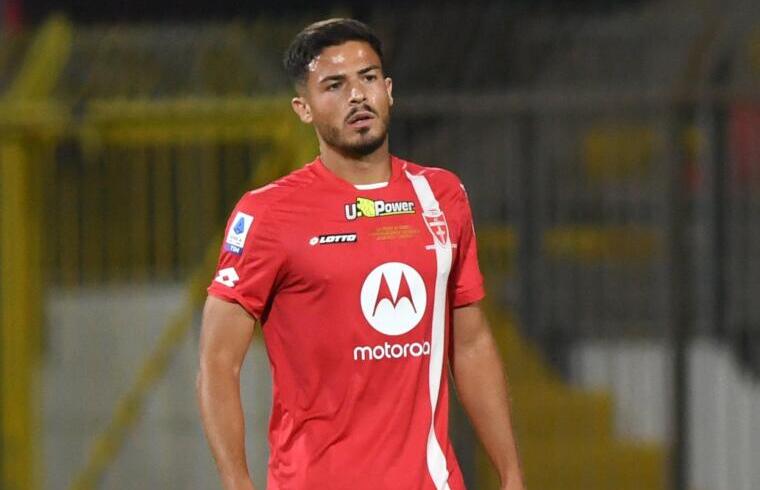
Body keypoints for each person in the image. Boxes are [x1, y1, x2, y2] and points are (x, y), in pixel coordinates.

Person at [196, 18, 526, 490]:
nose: (356, 95)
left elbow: (470, 343)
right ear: (303, 109)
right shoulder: (268, 214)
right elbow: (217, 362)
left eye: (368, 78)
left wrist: (512, 474)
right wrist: (236, 481)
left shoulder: (441, 196)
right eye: (334, 85)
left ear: (388, 90)